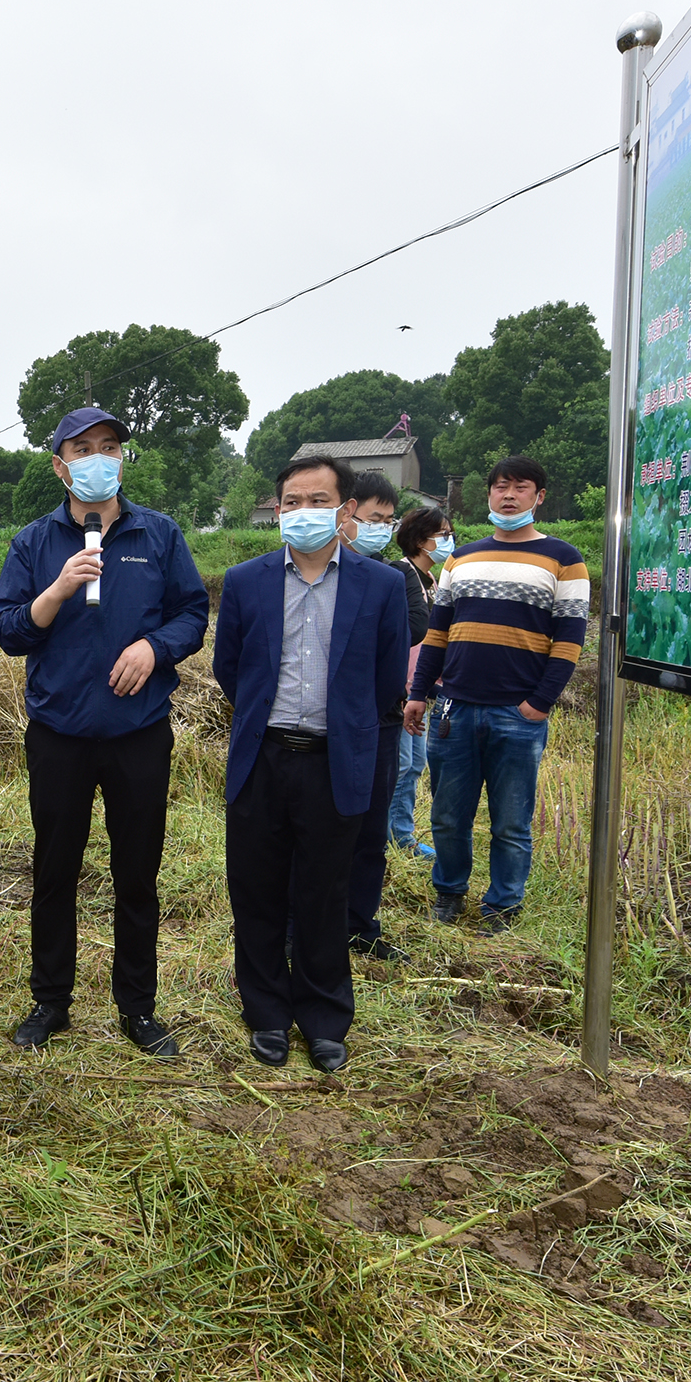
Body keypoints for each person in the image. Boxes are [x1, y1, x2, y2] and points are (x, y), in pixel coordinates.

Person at [0, 405, 208, 1057]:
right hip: (58, 735)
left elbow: (192, 613)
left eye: (109, 446)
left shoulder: (159, 536)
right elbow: (8, 631)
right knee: (55, 871)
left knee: (137, 874)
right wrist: (55, 592)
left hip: (138, 734)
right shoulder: (34, 543)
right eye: (82, 450)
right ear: (60, 467)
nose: (97, 459)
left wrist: (154, 649)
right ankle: (50, 1001)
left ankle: (138, 1008)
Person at [209, 455, 408, 1072]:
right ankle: (266, 1012)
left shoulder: (382, 586)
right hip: (263, 758)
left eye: (317, 501)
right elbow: (229, 669)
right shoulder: (247, 581)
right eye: (291, 502)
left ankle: (324, 1017)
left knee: (324, 892)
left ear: (345, 510)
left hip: (335, 760)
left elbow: (384, 683)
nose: (302, 513)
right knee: (258, 890)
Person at [407, 456, 587, 934]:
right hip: (453, 709)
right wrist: (419, 692)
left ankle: (503, 906)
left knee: (511, 823)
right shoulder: (461, 558)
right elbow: (437, 634)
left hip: (517, 714)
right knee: (447, 816)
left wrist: (539, 703)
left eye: (520, 487)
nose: (508, 495)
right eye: (500, 487)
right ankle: (449, 893)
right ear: (488, 495)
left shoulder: (564, 559)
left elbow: (569, 641)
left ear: (538, 497)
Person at [337, 473, 413, 963]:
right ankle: (299, 928)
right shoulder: (317, 569)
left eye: (389, 521)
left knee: (369, 832)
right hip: (322, 724)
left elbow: (408, 637)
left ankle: (360, 926)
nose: (382, 529)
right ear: (346, 515)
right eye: (373, 519)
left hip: (379, 723)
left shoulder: (394, 577)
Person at [384, 507, 451, 860]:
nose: (447, 540)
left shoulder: (431, 581)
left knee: (414, 763)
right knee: (402, 763)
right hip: (403, 686)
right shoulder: (400, 574)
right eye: (442, 534)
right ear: (420, 539)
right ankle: (392, 836)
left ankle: (401, 833)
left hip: (422, 687)